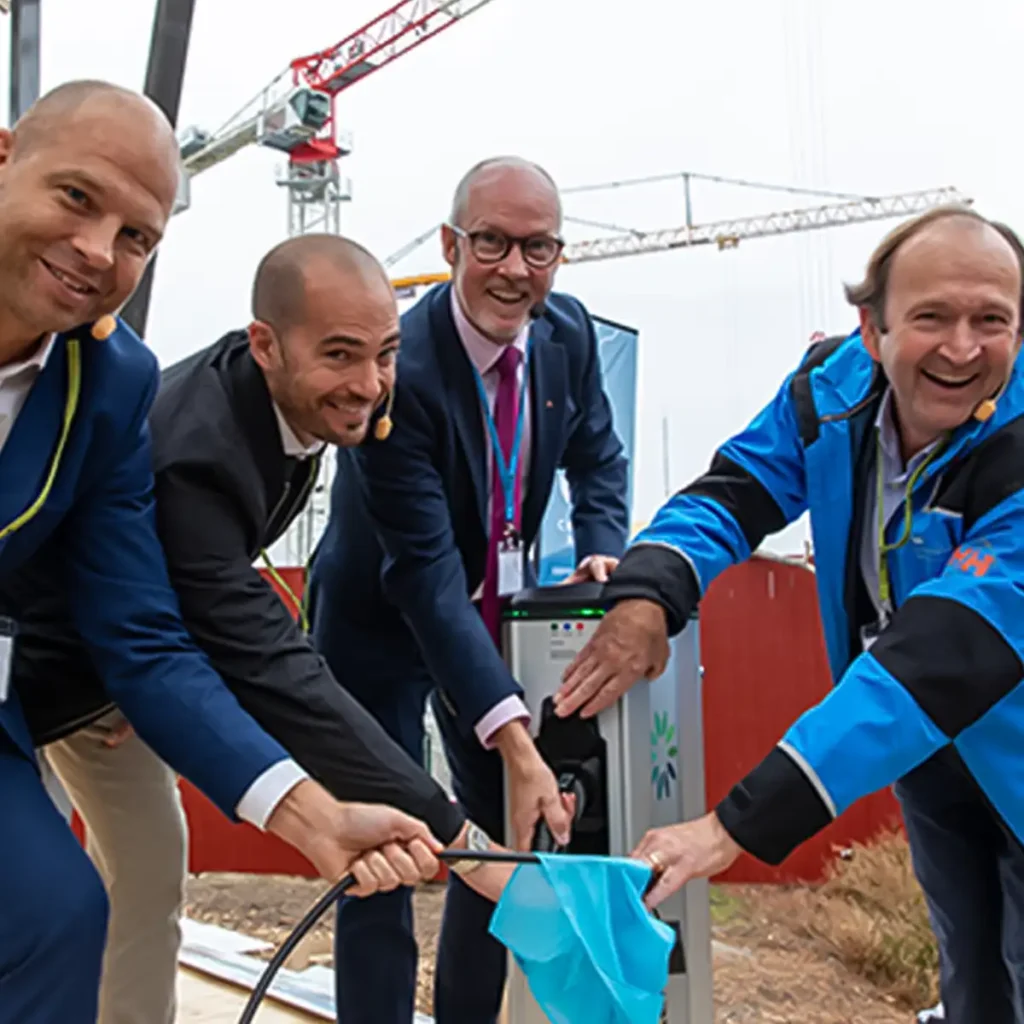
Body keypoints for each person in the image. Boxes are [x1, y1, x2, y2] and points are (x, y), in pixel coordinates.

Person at [0, 80, 452, 1024]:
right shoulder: (199, 441)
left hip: (81, 689)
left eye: (138, 237)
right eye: (77, 198)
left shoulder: (109, 379)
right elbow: (246, 638)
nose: (97, 252)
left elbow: (147, 631)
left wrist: (317, 816)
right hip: (44, 682)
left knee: (67, 910)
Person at [556, 205, 1024, 1024]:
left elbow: (941, 656)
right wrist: (647, 593)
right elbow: (733, 493)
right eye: (931, 318)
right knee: (971, 976)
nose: (962, 348)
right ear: (871, 328)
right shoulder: (829, 395)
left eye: (993, 321)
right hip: (931, 754)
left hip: (993, 733)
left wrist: (734, 825)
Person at [306, 155, 631, 1024]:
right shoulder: (399, 370)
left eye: (538, 248)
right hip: (380, 622)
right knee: (384, 850)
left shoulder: (568, 336)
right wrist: (517, 736)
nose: (515, 270)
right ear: (452, 244)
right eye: (491, 243)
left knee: (498, 852)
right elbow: (423, 575)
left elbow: (598, 455)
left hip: (490, 620)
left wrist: (605, 549)